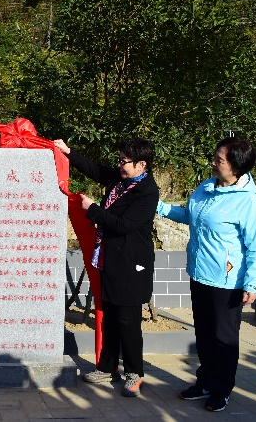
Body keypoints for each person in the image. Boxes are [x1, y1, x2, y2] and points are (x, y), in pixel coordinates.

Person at [156, 137, 256, 412]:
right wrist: (159, 207)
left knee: (223, 338)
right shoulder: (206, 187)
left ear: (236, 167)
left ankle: (221, 389)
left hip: (227, 282)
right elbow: (191, 215)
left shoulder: (248, 201)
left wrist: (251, 283)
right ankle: (204, 382)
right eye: (215, 157)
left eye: (219, 160)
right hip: (200, 274)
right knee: (204, 335)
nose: (213, 163)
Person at [54, 138, 159, 398]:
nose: (119, 165)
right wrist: (68, 152)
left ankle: (134, 373)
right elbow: (96, 170)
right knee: (110, 316)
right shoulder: (121, 180)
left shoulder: (147, 191)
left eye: (124, 161)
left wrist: (93, 209)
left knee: (128, 321)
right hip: (110, 259)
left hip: (131, 265)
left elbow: (123, 225)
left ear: (141, 164)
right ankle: (107, 367)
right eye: (119, 160)